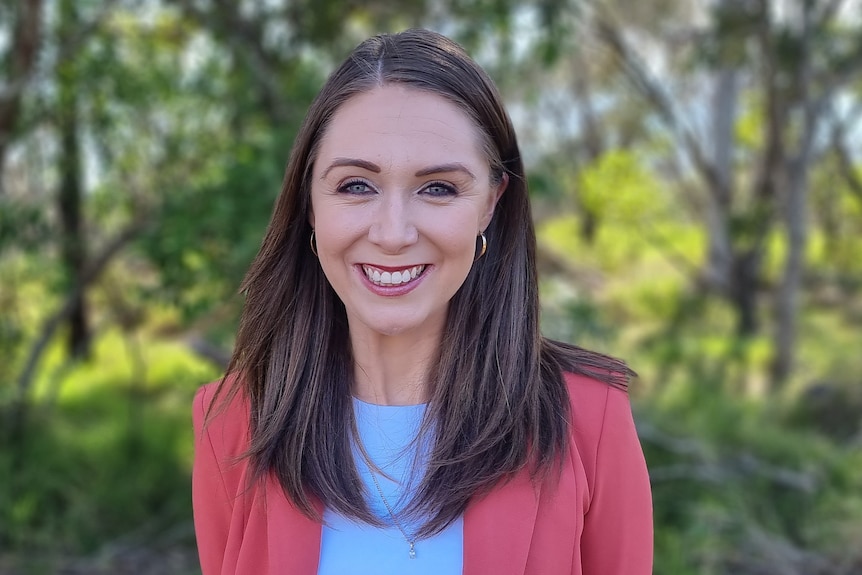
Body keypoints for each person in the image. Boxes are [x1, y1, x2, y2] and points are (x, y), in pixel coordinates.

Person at [192, 28, 652, 575]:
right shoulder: (232, 423)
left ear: (490, 205)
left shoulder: (588, 416)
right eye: (356, 186)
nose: (392, 233)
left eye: (438, 188)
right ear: (310, 204)